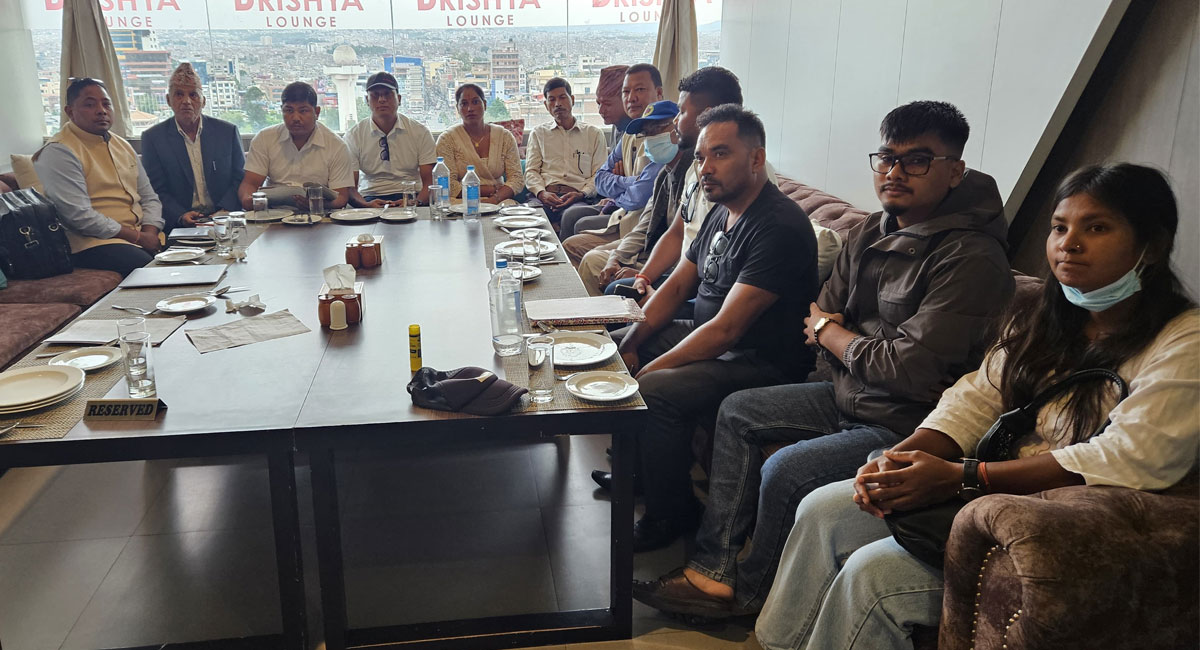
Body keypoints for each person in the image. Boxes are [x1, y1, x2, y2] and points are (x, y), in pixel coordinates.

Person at [755, 162, 1198, 650]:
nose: (1068, 244)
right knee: (821, 509)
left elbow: (1132, 455)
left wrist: (962, 476)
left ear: (1151, 245)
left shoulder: (1184, 340)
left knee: (872, 575)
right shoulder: (1046, 316)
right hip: (976, 491)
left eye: (1096, 228)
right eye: (1059, 227)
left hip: (1048, 524)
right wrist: (901, 459)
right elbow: (977, 395)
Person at [631, 101, 1016, 613]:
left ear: (955, 171)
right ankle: (714, 568)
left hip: (905, 421)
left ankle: (748, 592)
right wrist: (834, 335)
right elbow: (818, 317)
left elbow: (906, 370)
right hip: (844, 392)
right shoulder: (871, 231)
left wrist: (833, 335)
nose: (895, 172)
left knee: (785, 468)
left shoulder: (971, 258)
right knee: (739, 410)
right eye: (887, 158)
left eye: (917, 160)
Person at [611, 105, 820, 552]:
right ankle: (641, 474)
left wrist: (649, 369)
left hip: (760, 362)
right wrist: (630, 344)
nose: (706, 167)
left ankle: (671, 514)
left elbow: (726, 331)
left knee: (655, 389)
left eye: (720, 154)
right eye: (702, 157)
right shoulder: (720, 213)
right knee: (614, 349)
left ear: (756, 158)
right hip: (715, 340)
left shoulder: (778, 225)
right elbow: (676, 287)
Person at [577, 67, 744, 297]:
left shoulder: (732, 176)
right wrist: (644, 276)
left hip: (700, 286)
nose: (676, 122)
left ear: (706, 116)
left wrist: (649, 278)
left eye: (681, 113)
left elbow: (706, 261)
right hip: (676, 271)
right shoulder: (693, 171)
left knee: (611, 280)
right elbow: (676, 233)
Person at [33, 78, 163, 277]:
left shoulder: (122, 145)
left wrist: (150, 233)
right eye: (89, 104)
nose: (101, 111)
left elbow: (149, 197)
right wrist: (138, 237)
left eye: (106, 104)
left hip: (137, 235)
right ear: (70, 111)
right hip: (93, 242)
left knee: (195, 249)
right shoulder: (60, 151)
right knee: (149, 269)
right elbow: (79, 217)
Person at [570, 99, 682, 295]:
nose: (651, 138)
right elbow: (601, 180)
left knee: (593, 260)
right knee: (590, 256)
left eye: (658, 129)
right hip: (641, 237)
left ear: (678, 127)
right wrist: (615, 258)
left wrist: (645, 274)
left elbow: (638, 198)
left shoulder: (692, 175)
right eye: (647, 133)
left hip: (668, 261)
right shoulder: (664, 175)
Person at [559, 63, 665, 239]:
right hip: (621, 205)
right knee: (571, 216)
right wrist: (630, 181)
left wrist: (615, 197)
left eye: (639, 90)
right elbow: (600, 178)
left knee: (581, 224)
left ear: (659, 93)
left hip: (640, 216)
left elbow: (642, 193)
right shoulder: (625, 132)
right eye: (626, 92)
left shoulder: (663, 135)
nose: (631, 98)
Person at [141, 62, 246, 231]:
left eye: (193, 95)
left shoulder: (227, 132)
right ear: (168, 100)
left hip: (225, 217)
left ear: (203, 101)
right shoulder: (153, 138)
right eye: (179, 94)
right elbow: (155, 190)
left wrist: (224, 210)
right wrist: (180, 215)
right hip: (181, 224)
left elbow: (240, 177)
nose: (186, 101)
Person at [238, 81, 354, 211]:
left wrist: (316, 204)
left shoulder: (336, 145)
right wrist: (247, 199)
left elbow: (341, 197)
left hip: (318, 215)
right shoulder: (264, 138)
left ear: (317, 112)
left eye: (303, 111)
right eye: (289, 110)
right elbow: (250, 183)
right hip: (272, 213)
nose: (295, 118)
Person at [343, 71, 437, 207]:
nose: (382, 100)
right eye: (375, 95)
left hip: (412, 194)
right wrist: (365, 205)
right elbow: (350, 187)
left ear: (399, 99)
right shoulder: (354, 136)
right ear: (367, 100)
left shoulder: (419, 132)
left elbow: (430, 182)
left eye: (387, 94)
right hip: (370, 196)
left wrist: (415, 203)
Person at [524, 78, 608, 225]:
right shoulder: (538, 134)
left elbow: (600, 174)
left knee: (572, 216)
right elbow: (531, 171)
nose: (557, 104)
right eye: (552, 99)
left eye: (562, 97)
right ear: (546, 105)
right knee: (531, 215)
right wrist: (542, 193)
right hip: (544, 197)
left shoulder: (593, 134)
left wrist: (582, 193)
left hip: (578, 199)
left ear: (572, 100)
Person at [435, 84, 523, 205]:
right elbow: (449, 185)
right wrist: (490, 189)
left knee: (509, 208)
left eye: (475, 102)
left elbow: (516, 179)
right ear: (457, 108)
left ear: (485, 104)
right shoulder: (447, 139)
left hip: (499, 200)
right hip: (461, 201)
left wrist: (494, 199)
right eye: (464, 104)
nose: (470, 108)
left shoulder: (504, 136)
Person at [597, 64, 632, 148]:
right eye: (598, 103)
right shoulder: (617, 124)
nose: (601, 111)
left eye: (608, 104)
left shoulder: (638, 133)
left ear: (626, 100)